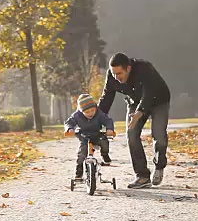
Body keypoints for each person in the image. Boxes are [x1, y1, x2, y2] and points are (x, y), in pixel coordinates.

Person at [98, 53, 171, 189]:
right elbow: (106, 98)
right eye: (114, 74)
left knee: (159, 135)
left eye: (119, 73)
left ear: (128, 69)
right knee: (131, 134)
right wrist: (96, 119)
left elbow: (149, 92)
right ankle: (142, 176)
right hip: (135, 101)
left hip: (158, 100)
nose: (116, 77)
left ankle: (159, 165)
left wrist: (140, 112)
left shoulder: (144, 68)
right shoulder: (112, 76)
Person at [64, 94, 116, 180]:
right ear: (81, 111)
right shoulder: (77, 115)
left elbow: (108, 120)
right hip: (84, 136)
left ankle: (105, 155)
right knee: (81, 154)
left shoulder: (99, 114)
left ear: (95, 108)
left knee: (104, 142)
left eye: (92, 110)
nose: (91, 113)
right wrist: (69, 129)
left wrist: (109, 129)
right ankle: (78, 173)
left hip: (96, 134)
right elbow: (69, 122)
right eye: (87, 112)